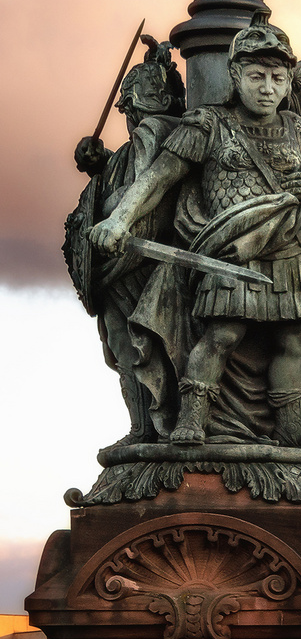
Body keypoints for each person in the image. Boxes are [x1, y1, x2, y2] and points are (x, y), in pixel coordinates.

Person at [91, 14, 301, 451]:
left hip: (289, 248)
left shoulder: (300, 131)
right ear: (235, 75)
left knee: (296, 336)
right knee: (223, 334)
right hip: (228, 251)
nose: (268, 87)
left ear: (287, 83)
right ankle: (193, 415)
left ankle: (292, 419)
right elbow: (161, 177)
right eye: (257, 76)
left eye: (278, 78)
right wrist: (119, 219)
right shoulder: (209, 123)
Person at [67, 36, 185, 443]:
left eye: (130, 103)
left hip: (138, 260)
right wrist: (99, 167)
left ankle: (149, 428)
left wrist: (104, 208)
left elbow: (144, 192)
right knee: (123, 347)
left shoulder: (155, 130)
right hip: (116, 263)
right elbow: (126, 178)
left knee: (137, 346)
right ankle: (142, 428)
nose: (126, 112)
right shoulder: (143, 139)